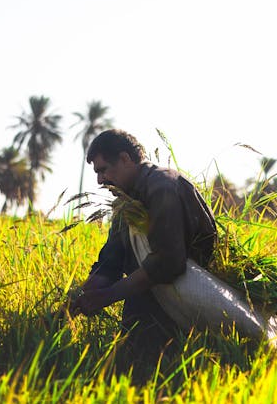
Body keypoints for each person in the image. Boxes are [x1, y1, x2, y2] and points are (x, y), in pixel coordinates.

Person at [70, 129, 217, 371]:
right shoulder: (125, 201)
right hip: (145, 297)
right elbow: (111, 261)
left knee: (164, 376)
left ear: (125, 159)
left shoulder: (162, 187)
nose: (99, 180)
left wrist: (107, 296)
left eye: (103, 169)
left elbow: (169, 263)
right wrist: (75, 302)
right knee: (129, 372)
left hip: (181, 302)